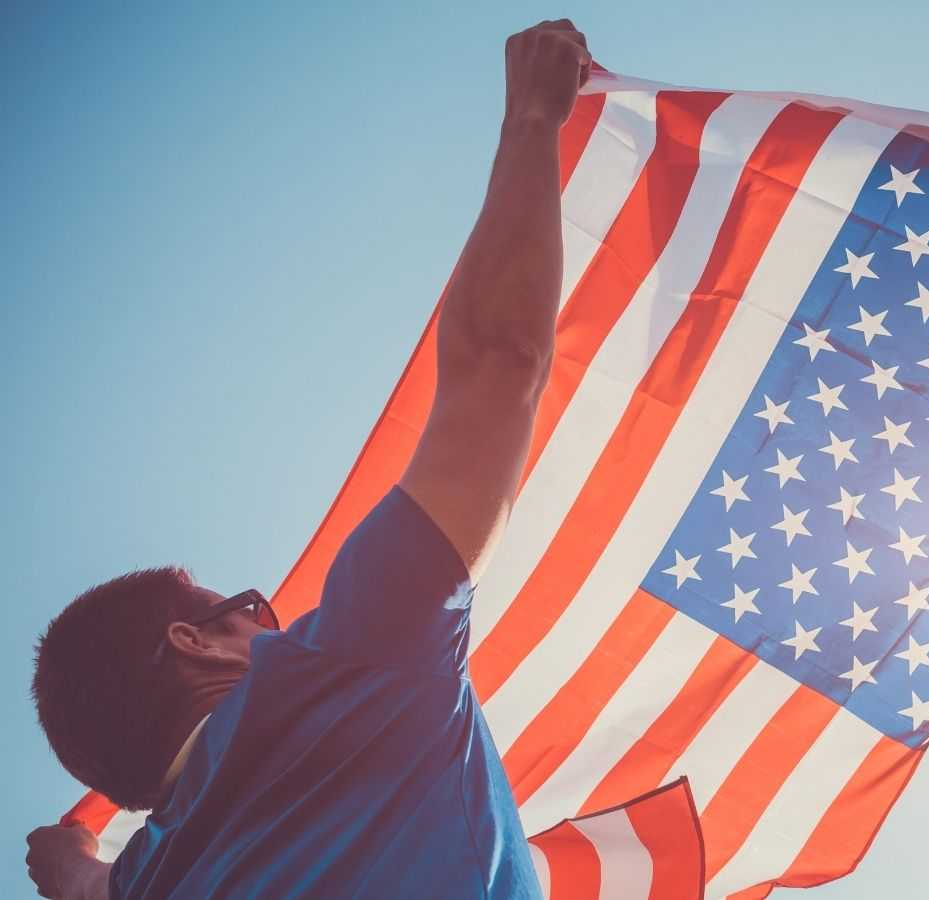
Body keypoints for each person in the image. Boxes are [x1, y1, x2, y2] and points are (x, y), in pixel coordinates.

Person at [25, 19, 591, 899]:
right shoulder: (342, 663)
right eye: (251, 607)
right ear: (189, 641)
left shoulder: (154, 886)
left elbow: (92, 885)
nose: (285, 622)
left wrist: (76, 872)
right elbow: (500, 361)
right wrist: (532, 117)